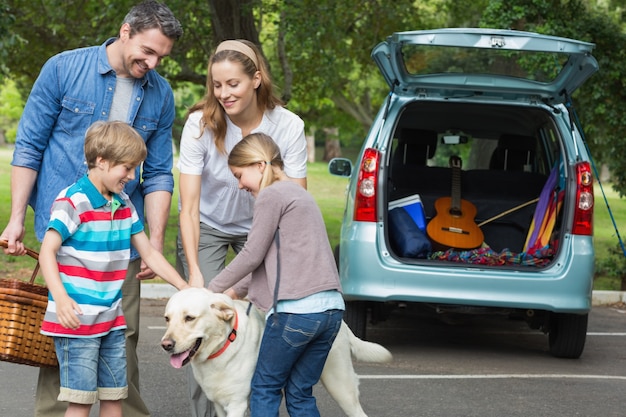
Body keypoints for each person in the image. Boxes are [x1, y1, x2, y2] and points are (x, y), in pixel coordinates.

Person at [0, 2, 183, 416]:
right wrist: (15, 219)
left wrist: (152, 241)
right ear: (125, 32)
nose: (152, 64)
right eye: (147, 51)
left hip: (122, 236)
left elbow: (156, 174)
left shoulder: (161, 93)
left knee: (124, 340)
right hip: (65, 233)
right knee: (63, 341)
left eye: (161, 57)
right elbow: (28, 146)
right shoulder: (64, 69)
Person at [176, 39, 308, 417]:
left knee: (267, 315)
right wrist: (197, 275)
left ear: (256, 79)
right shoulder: (200, 124)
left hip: (262, 229)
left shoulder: (288, 125)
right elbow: (189, 208)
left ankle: (258, 404)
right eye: (217, 85)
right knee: (200, 321)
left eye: (232, 84)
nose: (223, 93)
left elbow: (292, 208)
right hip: (210, 226)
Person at [39, 121, 189, 417]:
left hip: (111, 319)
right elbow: (47, 251)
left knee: (113, 397)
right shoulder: (73, 201)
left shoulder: (123, 204)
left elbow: (149, 253)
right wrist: (60, 297)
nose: (132, 177)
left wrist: (185, 288)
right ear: (102, 161)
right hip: (77, 321)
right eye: (127, 168)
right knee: (81, 401)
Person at [207, 132, 345, 417]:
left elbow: (251, 254)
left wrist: (210, 290)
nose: (240, 184)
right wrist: (231, 293)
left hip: (296, 313)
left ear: (259, 165)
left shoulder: (271, 195)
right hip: (331, 311)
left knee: (265, 386)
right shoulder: (299, 194)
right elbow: (267, 259)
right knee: (299, 391)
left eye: (239, 174)